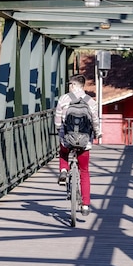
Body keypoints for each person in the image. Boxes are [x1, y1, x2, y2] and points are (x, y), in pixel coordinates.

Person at [54, 74, 101, 216]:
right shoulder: (90, 101)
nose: (69, 86)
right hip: (85, 141)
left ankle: (63, 169)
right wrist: (98, 133)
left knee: (63, 151)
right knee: (84, 172)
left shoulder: (64, 98)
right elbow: (95, 121)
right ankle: (85, 205)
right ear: (83, 86)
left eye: (70, 84)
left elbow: (57, 120)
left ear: (73, 85)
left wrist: (60, 132)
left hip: (67, 138)